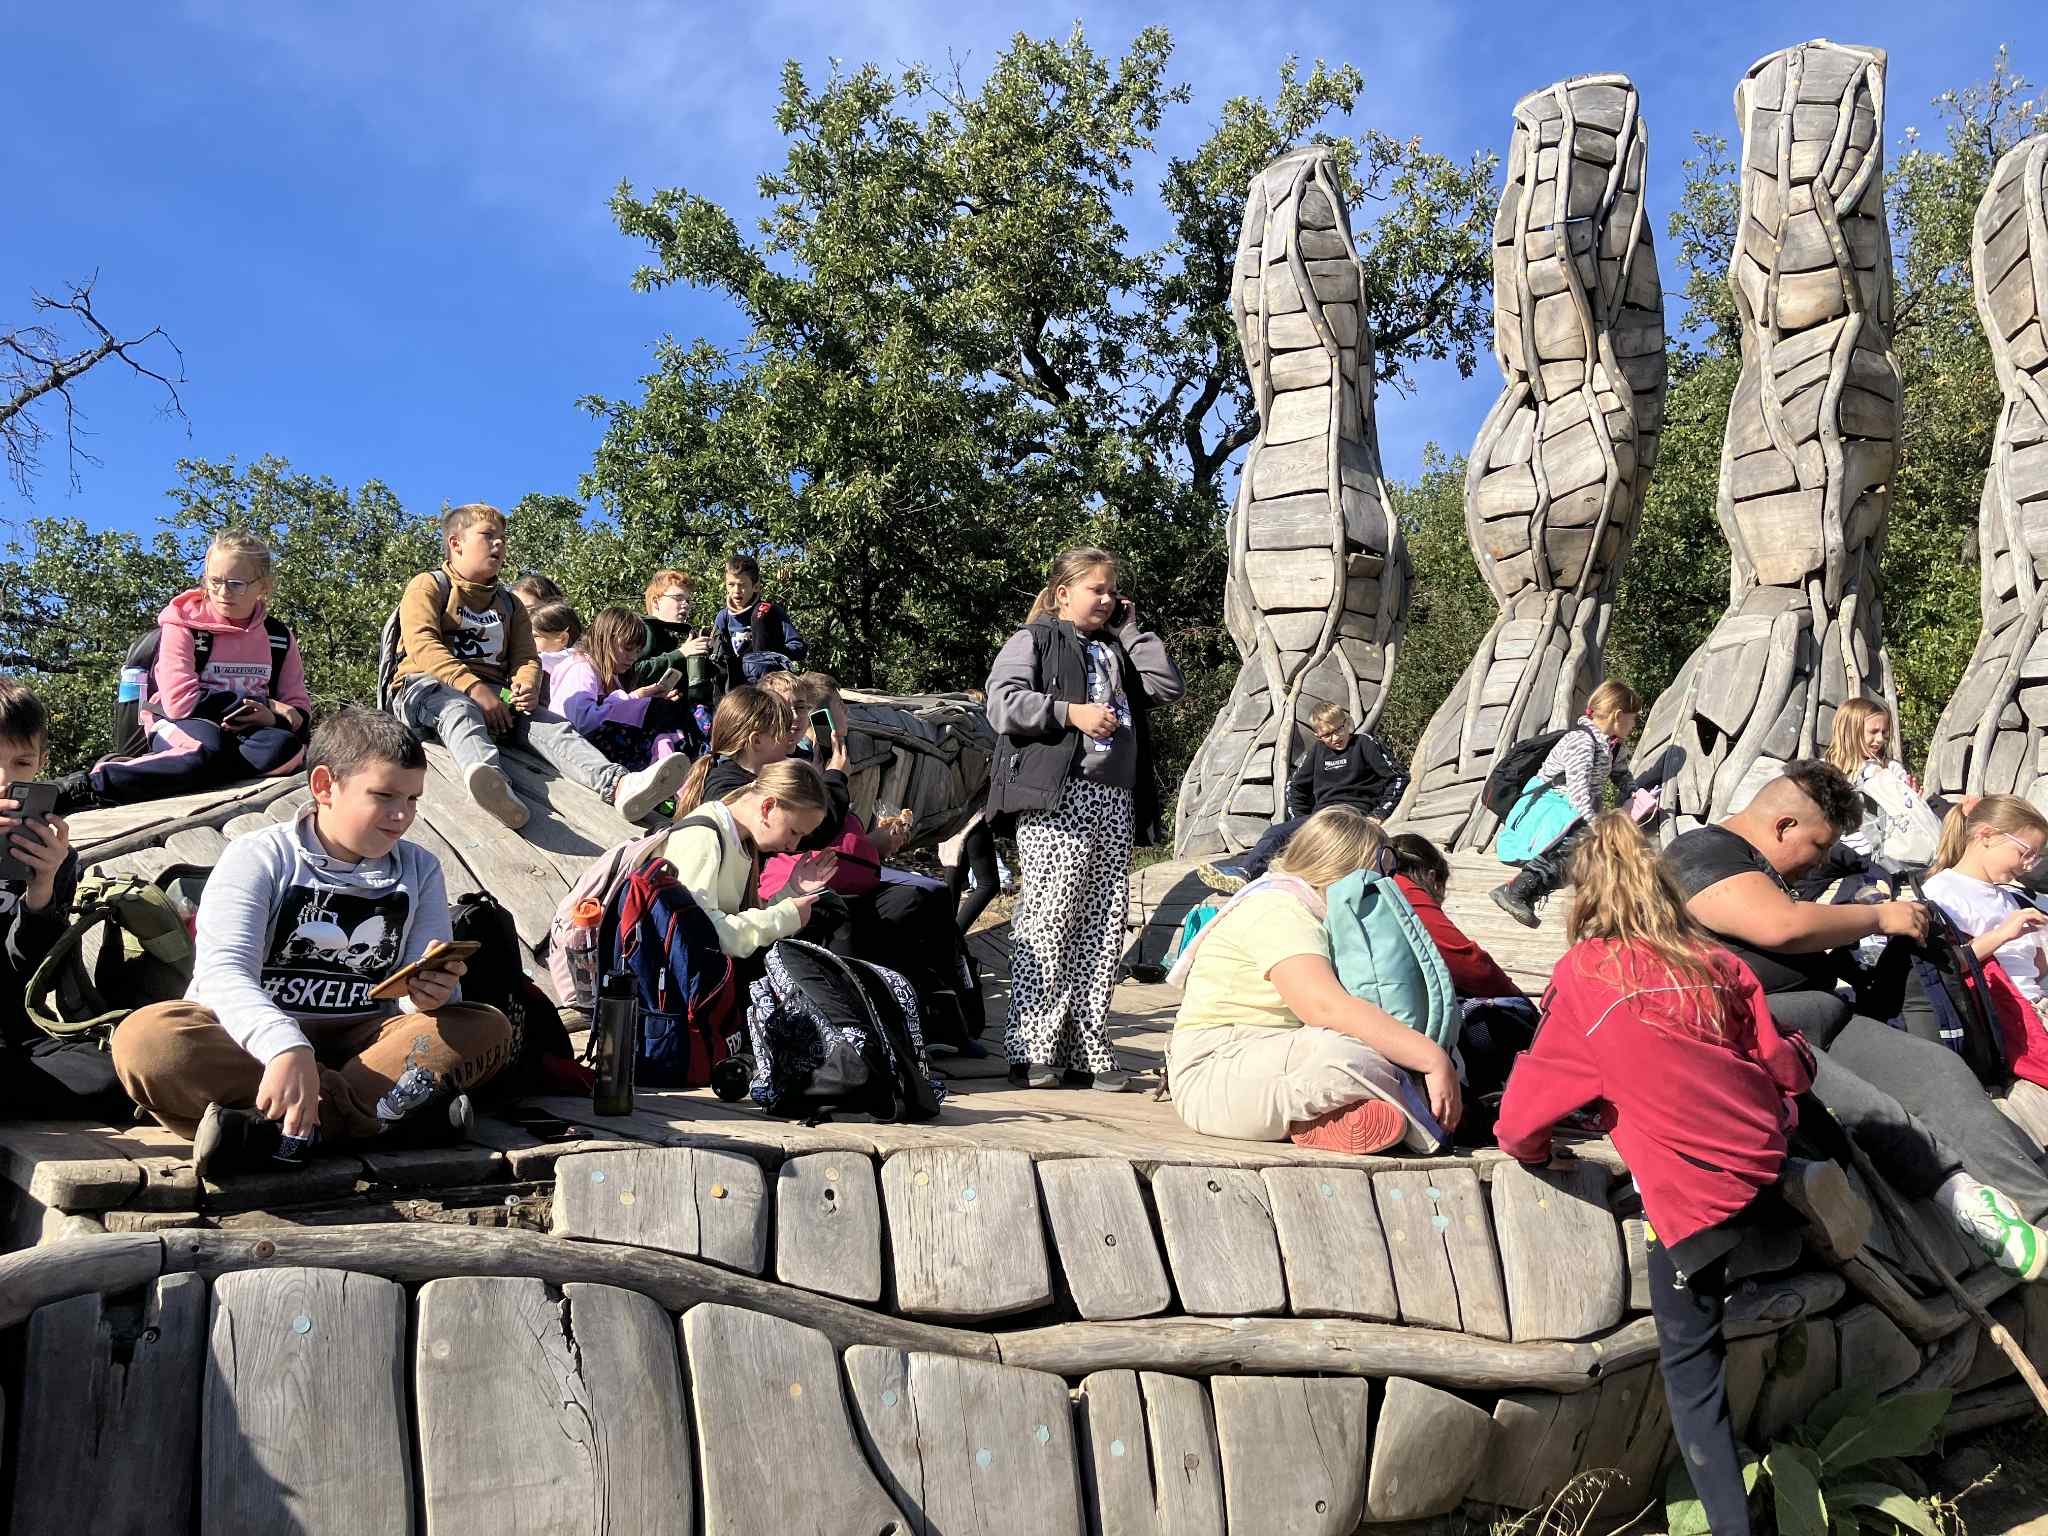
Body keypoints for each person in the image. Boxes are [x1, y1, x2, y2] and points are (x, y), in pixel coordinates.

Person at [1496, 813, 1817, 1536]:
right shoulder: (1715, 962)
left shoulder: (1586, 974)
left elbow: (1521, 1115)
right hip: (1761, 1150)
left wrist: (1537, 1152)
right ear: (1666, 890)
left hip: (1691, 1195)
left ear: (1585, 898)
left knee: (1692, 1373)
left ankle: (1730, 1525)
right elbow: (1782, 1064)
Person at [1665, 761, 2048, 1277]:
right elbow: (1778, 925)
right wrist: (1876, 916)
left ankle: (2038, 1210)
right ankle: (1963, 1198)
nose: (1821, 861)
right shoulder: (1702, 852)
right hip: (1762, 1030)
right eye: (1819, 846)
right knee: (1866, 1105)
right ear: (1784, 826)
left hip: (1832, 1018)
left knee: (1941, 1074)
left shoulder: (1770, 866)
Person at [109, 711, 514, 1178]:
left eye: (412, 799)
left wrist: (432, 995)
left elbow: (417, 1006)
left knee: (485, 1027)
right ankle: (382, 1119)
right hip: (252, 1049)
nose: (402, 815)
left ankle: (277, 1132)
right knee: (146, 1041)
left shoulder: (420, 868)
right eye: (384, 796)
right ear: (324, 786)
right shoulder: (258, 856)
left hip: (367, 1051)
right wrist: (286, 1047)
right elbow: (224, 975)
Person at [986, 547, 1184, 1091]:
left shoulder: (1117, 647)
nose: (1106, 599)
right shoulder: (1034, 639)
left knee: (1101, 925)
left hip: (1114, 798)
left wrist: (1133, 630)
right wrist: (1070, 712)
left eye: (1112, 591)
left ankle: (1086, 1048)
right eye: (1096, 589)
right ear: (1063, 593)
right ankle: (1032, 1047)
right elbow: (1001, 704)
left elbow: (1168, 686)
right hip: (1058, 797)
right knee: (1049, 920)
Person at [1168, 807, 1461, 1152]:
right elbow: (1324, 1008)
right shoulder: (1278, 909)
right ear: (1346, 868)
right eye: (1378, 873)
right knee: (1349, 1056)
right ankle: (1383, 1111)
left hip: (1273, 1057)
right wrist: (1430, 1059)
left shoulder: (1310, 909)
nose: (1383, 885)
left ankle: (1334, 1120)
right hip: (1214, 1072)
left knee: (1388, 1050)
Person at [386, 503, 691, 831]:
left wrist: (527, 686)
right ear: (456, 543)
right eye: (487, 536)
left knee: (552, 725)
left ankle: (619, 786)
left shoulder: (509, 604)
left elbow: (527, 658)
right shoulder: (429, 586)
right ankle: (490, 783)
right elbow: (422, 644)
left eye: (503, 539)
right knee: (458, 709)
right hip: (425, 688)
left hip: (493, 694)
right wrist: (473, 688)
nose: (498, 544)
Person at [63, 530, 313, 809]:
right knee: (202, 751)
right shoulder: (185, 626)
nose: (223, 592)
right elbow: (180, 704)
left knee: (287, 751)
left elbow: (297, 709)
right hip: (181, 721)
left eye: (236, 584)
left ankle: (188, 771)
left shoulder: (277, 637)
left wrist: (274, 720)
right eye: (215, 581)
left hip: (246, 735)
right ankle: (90, 785)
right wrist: (263, 704)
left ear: (263, 586)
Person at [0, 680, 132, 1119]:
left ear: (42, 763)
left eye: (21, 763)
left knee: (116, 1078)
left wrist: (41, 891)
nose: (5, 780)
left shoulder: (56, 857)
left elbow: (32, 975)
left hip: (18, 1032)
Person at [1386, 831, 1533, 1125]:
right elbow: (1467, 962)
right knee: (1499, 1020)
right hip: (1411, 1028)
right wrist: (1521, 1002)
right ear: (1432, 877)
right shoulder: (1405, 890)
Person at [1197, 702, 1408, 892]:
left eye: (1339, 729)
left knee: (1294, 843)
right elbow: (1294, 786)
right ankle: (1245, 873)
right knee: (1276, 833)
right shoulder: (1317, 752)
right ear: (1318, 735)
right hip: (1322, 818)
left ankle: (1257, 873)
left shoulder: (1364, 743)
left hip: (1351, 816)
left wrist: (1379, 813)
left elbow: (1398, 777)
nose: (1336, 737)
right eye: (1327, 735)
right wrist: (1300, 819)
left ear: (1347, 723)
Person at [1491, 680, 1646, 927]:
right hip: (1553, 806)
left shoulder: (1612, 746)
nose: (1634, 723)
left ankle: (1592, 908)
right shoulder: (1581, 742)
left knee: (1589, 854)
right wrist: (1598, 826)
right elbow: (1578, 790)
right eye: (1633, 717)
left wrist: (1634, 792)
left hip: (1573, 810)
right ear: (1618, 715)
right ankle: (1518, 890)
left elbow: (1620, 773)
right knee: (1580, 849)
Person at [667, 757, 839, 963]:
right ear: (768, 806)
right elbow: (702, 934)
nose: (793, 846)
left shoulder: (741, 841)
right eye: (794, 832)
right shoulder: (703, 838)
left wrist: (792, 890)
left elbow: (741, 923)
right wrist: (785, 917)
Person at [1923, 796, 2048, 1017]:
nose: (2028, 866)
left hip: (2034, 1006)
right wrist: (2002, 934)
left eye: (2035, 858)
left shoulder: (2006, 897)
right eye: (2025, 854)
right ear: (1987, 835)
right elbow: (1946, 963)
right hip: (2006, 1016)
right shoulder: (1942, 890)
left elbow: (2032, 969)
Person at [552, 606, 695, 771]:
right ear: (604, 639)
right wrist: (634, 699)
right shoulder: (581, 669)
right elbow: (581, 722)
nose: (633, 657)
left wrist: (643, 700)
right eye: (627, 648)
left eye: (638, 651)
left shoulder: (610, 675)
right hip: (571, 751)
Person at [710, 555, 807, 692]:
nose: (736, 591)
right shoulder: (723, 616)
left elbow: (799, 648)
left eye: (742, 585)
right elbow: (716, 654)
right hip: (739, 690)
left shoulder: (771, 612)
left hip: (771, 686)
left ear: (756, 587)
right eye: (731, 584)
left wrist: (772, 653)